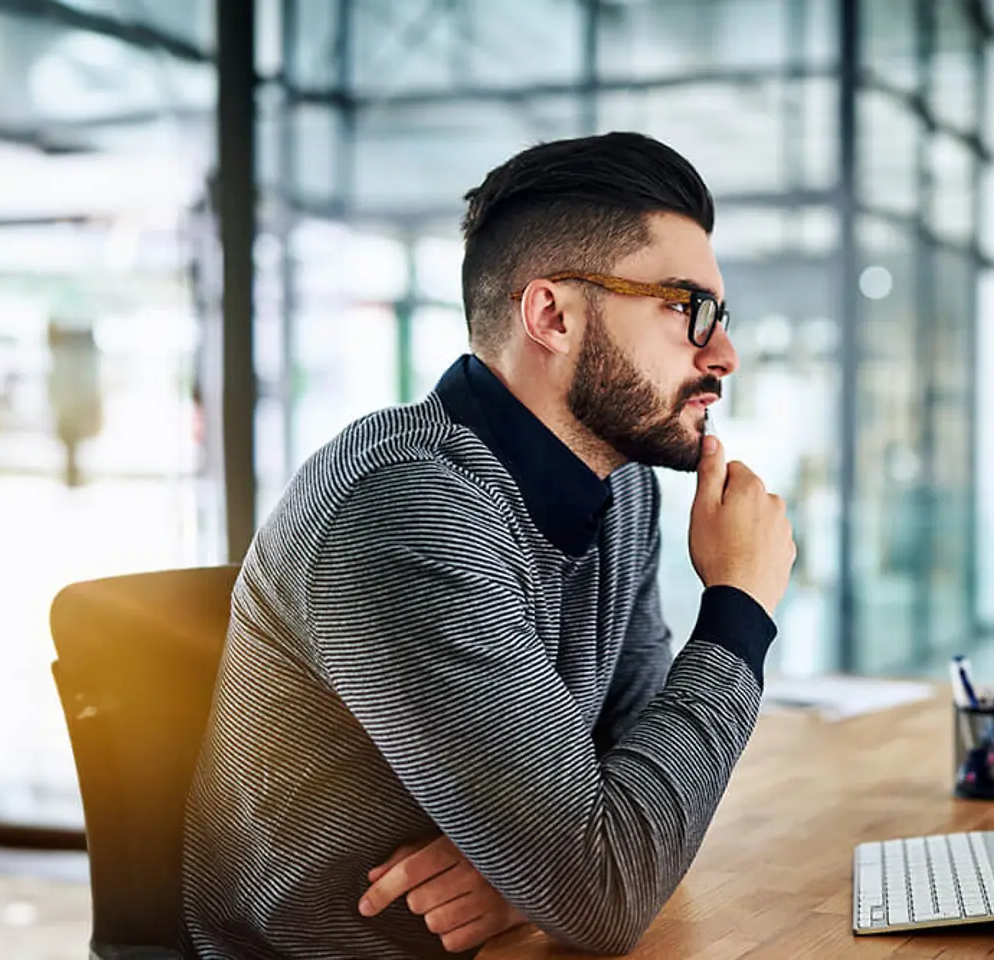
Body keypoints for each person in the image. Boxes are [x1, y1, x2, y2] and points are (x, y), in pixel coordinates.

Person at [181, 131, 796, 959]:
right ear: (551, 315)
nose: (722, 354)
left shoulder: (623, 490)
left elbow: (629, 800)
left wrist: (527, 878)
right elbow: (606, 887)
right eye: (688, 309)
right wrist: (739, 609)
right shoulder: (403, 509)